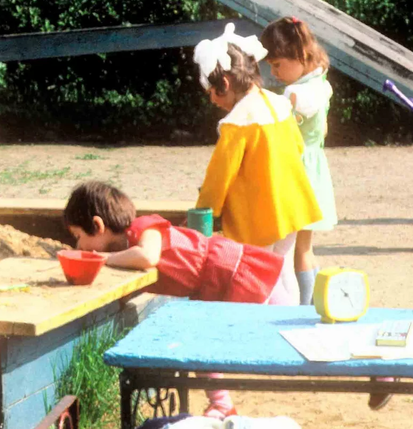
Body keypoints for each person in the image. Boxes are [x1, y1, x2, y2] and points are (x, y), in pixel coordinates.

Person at [193, 23, 322, 298]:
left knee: (262, 278)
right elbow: (298, 146)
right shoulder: (279, 105)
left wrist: (204, 214)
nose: (213, 101)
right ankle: (291, 321)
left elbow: (219, 178)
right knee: (283, 266)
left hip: (260, 217)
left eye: (212, 93)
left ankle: (271, 327)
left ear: (224, 84)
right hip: (291, 209)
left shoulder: (237, 123)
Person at [64, 180, 291, 303]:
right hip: (208, 288)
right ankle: (217, 392)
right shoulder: (124, 249)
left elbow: (147, 257)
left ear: (97, 225)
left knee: (283, 323)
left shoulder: (144, 228)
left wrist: (103, 258)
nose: (78, 247)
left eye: (78, 237)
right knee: (205, 350)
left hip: (231, 270)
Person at [259, 16, 336, 304]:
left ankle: (301, 305)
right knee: (303, 247)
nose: (274, 72)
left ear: (299, 55)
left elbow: (296, 104)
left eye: (278, 64)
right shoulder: (320, 81)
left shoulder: (298, 92)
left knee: (292, 249)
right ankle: (313, 301)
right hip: (312, 171)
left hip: (298, 173)